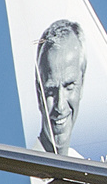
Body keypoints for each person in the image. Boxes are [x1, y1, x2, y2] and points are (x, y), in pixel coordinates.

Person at [34, 19, 86, 154]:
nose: (60, 106)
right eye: (51, 91)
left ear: (82, 84)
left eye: (69, 86)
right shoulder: (29, 174)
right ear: (39, 93)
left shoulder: (84, 165)